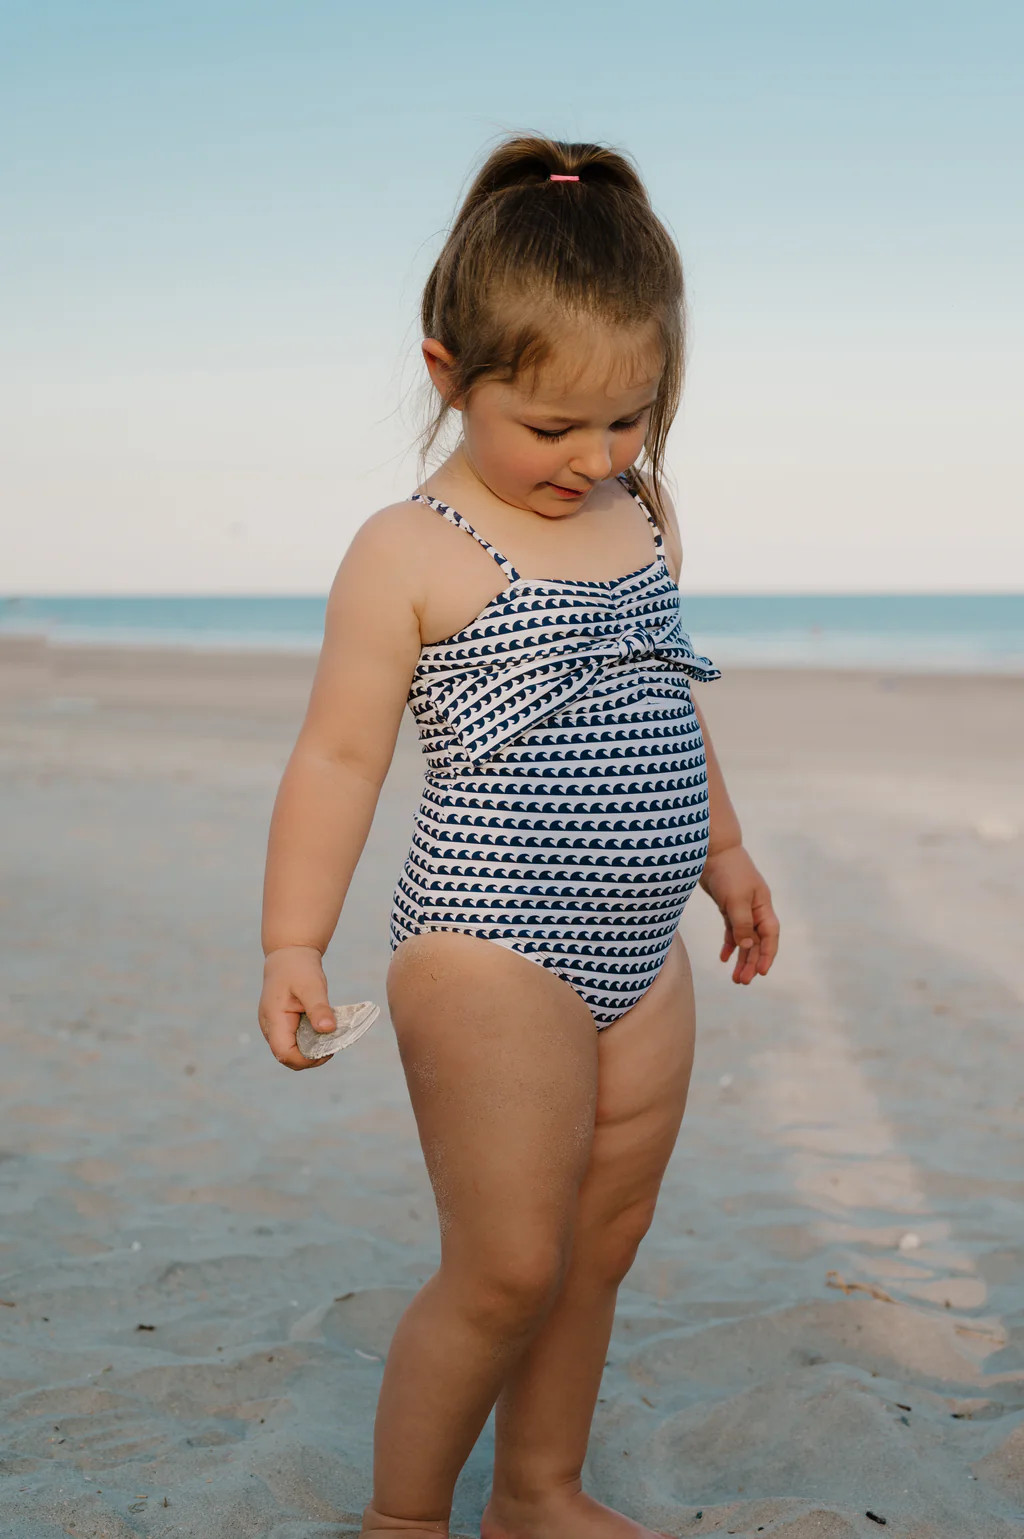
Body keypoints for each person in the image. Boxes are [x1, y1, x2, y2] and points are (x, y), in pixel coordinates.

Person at [258, 134, 780, 1539]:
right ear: (449, 377)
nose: (593, 458)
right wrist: (292, 938)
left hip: (642, 949)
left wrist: (724, 856)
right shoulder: (410, 549)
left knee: (601, 1248)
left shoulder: (642, 516)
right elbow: (341, 754)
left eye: (630, 419)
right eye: (552, 427)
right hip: (493, 948)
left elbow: (671, 701)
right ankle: (405, 1518)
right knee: (503, 1262)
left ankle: (539, 1493)